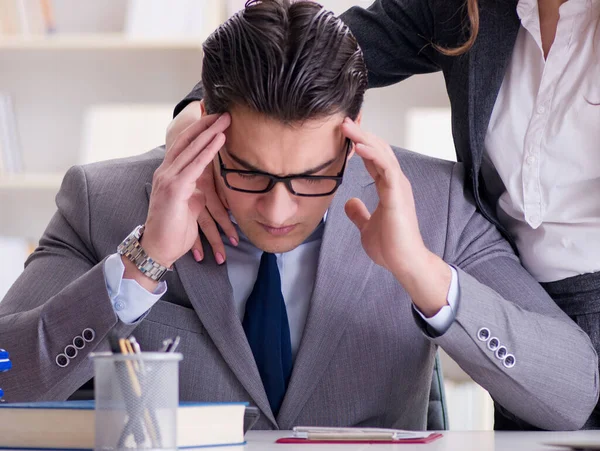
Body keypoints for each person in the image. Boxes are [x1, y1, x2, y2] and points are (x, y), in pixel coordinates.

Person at [0, 0, 597, 431]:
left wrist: (423, 273)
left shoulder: (430, 206)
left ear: (352, 134)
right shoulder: (104, 200)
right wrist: (141, 263)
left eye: (313, 177)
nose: (279, 209)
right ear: (208, 125)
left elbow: (573, 395)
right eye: (249, 173)